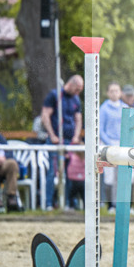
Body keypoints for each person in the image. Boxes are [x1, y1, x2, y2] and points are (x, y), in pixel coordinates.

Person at [40, 75, 84, 208]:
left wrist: (76, 136)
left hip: (71, 142)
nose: (78, 93)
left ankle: (69, 203)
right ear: (70, 85)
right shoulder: (55, 96)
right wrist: (52, 135)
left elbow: (78, 119)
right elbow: (45, 115)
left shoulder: (76, 99)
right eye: (77, 89)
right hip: (56, 141)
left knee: (71, 172)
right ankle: (49, 203)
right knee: (53, 172)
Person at [99, 82, 125, 211]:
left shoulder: (125, 107)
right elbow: (100, 129)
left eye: (117, 90)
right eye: (112, 91)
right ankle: (111, 205)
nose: (114, 93)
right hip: (108, 143)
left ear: (120, 92)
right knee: (109, 176)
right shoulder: (104, 108)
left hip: (123, 144)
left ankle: (124, 204)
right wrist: (108, 142)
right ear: (108, 93)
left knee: (124, 175)